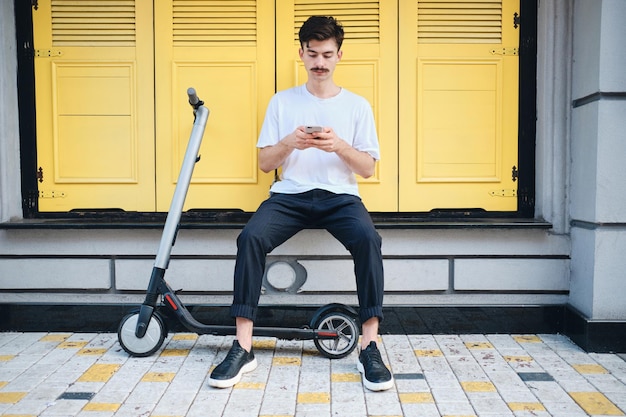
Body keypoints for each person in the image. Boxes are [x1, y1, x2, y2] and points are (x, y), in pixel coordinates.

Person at [208, 15, 393, 392]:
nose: (320, 62)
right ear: (301, 54)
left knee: (368, 241)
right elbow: (264, 164)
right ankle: (243, 347)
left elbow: (369, 169)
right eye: (313, 54)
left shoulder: (357, 106)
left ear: (339, 55)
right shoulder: (282, 102)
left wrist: (338, 145)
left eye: (327, 54)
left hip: (341, 198)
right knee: (250, 238)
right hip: (289, 196)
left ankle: (369, 344)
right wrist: (290, 143)